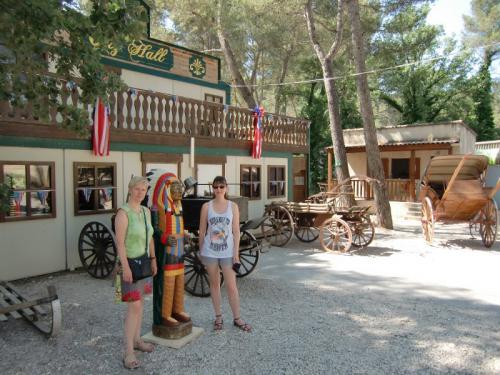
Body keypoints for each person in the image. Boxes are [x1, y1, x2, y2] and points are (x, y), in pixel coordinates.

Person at [115, 176, 157, 369]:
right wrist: (125, 267)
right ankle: (128, 351)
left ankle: (138, 340)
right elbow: (120, 244)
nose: (141, 192)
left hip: (143, 263)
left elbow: (150, 238)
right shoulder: (123, 214)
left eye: (144, 189)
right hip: (129, 264)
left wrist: (153, 259)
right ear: (130, 189)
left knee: (140, 305)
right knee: (134, 307)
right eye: (137, 189)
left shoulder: (146, 211)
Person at [199, 176, 251, 332]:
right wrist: (201, 251)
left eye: (221, 187)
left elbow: (236, 231)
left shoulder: (232, 206)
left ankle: (237, 318)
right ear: (212, 189)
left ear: (226, 188)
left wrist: (236, 253)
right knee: (214, 285)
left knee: (231, 286)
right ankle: (218, 317)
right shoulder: (206, 207)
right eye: (215, 187)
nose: (218, 190)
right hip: (210, 251)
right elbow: (202, 230)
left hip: (227, 252)